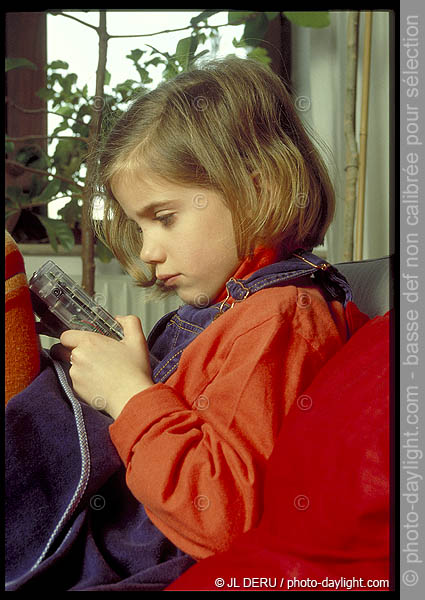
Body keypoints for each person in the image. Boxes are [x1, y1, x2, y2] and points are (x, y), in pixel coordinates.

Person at [50, 56, 368, 562]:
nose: (148, 251)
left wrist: (129, 395)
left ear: (257, 189)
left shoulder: (278, 318)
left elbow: (219, 516)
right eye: (139, 227)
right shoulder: (233, 309)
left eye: (165, 218)